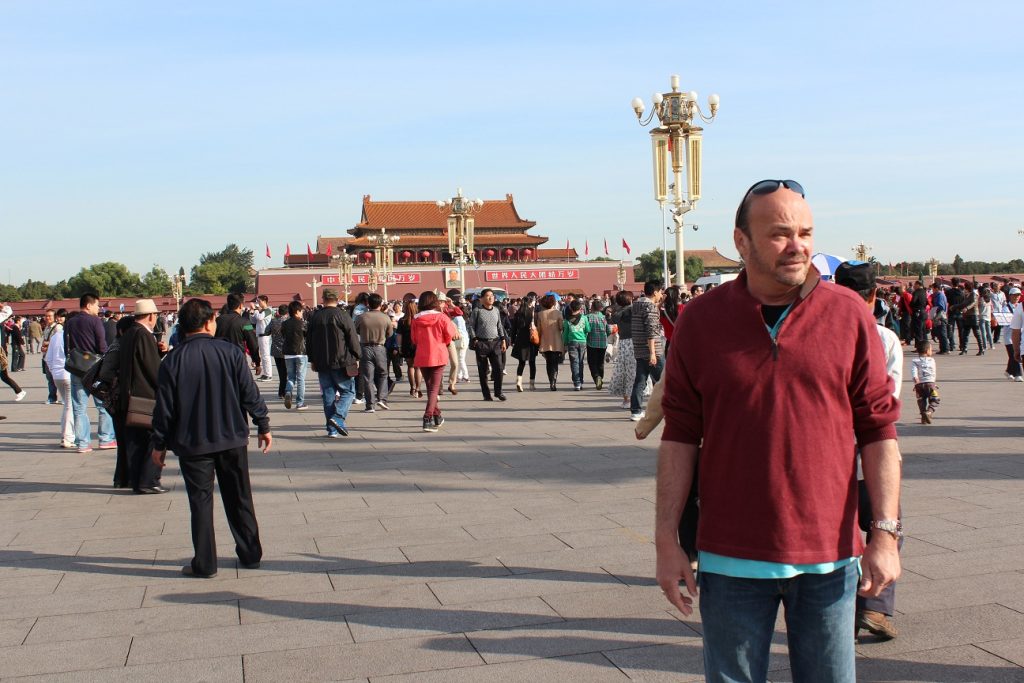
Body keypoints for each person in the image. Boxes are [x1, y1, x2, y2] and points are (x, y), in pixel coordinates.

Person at [656, 179, 902, 681]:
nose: (798, 246)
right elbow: (680, 436)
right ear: (741, 242)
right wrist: (666, 540)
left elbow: (880, 432)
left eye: (806, 232)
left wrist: (885, 534)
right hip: (731, 556)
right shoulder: (701, 321)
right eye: (780, 234)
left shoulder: (848, 313)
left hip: (830, 555)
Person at [150, 298, 271, 578]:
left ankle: (205, 563)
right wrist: (262, 423)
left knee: (200, 501)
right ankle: (250, 553)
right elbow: (249, 393)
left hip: (193, 444)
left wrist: (159, 445)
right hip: (231, 438)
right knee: (239, 496)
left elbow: (164, 410)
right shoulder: (230, 353)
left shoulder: (173, 361)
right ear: (208, 322)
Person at [834, 261, 904, 641]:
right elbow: (886, 405)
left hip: (831, 462)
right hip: (874, 460)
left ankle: (838, 608)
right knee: (886, 529)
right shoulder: (884, 338)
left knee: (840, 535)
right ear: (874, 296)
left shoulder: (823, 332)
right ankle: (874, 608)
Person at [116, 299, 166, 494]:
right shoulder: (144, 335)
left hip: (129, 396)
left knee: (135, 442)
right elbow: (152, 369)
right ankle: (148, 481)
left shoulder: (129, 333)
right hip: (144, 396)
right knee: (149, 441)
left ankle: (136, 480)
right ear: (152, 316)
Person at [305, 289, 361, 438]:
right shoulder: (342, 315)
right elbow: (352, 337)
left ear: (323, 299)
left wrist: (312, 359)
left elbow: (308, 340)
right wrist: (357, 355)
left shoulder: (315, 316)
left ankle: (332, 430)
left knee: (328, 395)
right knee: (349, 391)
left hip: (322, 361)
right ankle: (338, 418)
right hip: (342, 360)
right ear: (337, 299)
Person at [64, 293, 115, 453]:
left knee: (79, 407)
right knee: (103, 404)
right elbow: (102, 346)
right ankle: (105, 439)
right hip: (95, 370)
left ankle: (83, 444)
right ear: (88, 305)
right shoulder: (95, 321)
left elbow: (68, 344)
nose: (98, 308)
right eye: (97, 305)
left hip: (77, 368)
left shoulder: (70, 322)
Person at [411, 291, 455, 432]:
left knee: (431, 387)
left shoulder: (415, 319)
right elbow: (450, 335)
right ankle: (427, 417)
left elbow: (414, 339)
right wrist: (442, 343)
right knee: (433, 389)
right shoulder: (442, 317)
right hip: (438, 354)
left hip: (422, 355)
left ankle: (437, 416)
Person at [630, 279, 665, 422]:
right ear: (655, 292)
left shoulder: (637, 304)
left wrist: (659, 304)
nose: (661, 294)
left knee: (640, 380)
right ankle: (672, 408)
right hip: (652, 350)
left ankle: (636, 411)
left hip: (639, 348)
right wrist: (652, 353)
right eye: (660, 292)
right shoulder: (650, 308)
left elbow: (650, 309)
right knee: (665, 380)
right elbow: (651, 331)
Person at [355, 293, 394, 412]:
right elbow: (390, 334)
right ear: (380, 304)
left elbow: (356, 330)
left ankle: (370, 405)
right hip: (380, 347)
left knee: (367, 377)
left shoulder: (361, 317)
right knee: (382, 374)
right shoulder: (385, 317)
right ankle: (382, 399)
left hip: (365, 348)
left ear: (368, 303)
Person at [466, 289, 507, 401]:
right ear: (481, 299)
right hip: (482, 343)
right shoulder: (477, 311)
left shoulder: (496, 310)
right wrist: (474, 339)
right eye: (487, 296)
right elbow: (470, 326)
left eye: (492, 296)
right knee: (483, 371)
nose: (490, 298)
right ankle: (486, 394)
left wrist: (503, 339)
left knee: (498, 368)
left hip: (495, 342)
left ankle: (498, 392)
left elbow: (499, 326)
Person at [42, 309, 73, 448]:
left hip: (57, 374)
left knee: (67, 405)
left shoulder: (56, 335)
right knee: (71, 406)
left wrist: (54, 371)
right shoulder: (73, 336)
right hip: (69, 374)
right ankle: (68, 437)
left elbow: (47, 358)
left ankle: (67, 435)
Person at [607, 291, 635, 409]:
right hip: (635, 342)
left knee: (624, 371)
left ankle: (626, 399)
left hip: (623, 343)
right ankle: (634, 398)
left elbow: (611, 321)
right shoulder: (634, 310)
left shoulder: (618, 313)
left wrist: (608, 314)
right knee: (634, 372)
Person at [281, 301, 309, 410]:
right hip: (301, 353)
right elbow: (307, 336)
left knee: (291, 377)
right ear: (297, 311)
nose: (302, 313)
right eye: (301, 311)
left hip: (288, 353)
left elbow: (283, 336)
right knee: (301, 378)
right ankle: (300, 403)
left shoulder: (285, 324)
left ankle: (288, 392)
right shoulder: (303, 323)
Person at [536, 294, 565, 391]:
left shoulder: (540, 314)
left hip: (545, 341)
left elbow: (539, 330)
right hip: (556, 341)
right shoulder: (558, 313)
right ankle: (554, 381)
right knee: (555, 363)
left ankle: (550, 381)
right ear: (553, 303)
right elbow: (561, 327)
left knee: (548, 363)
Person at [511, 294, 539, 391]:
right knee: (532, 362)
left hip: (520, 339)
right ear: (531, 302)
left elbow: (513, 328)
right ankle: (532, 384)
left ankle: (519, 381)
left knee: (521, 362)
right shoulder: (534, 313)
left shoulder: (518, 313)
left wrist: (512, 340)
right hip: (531, 340)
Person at [396, 298, 422, 398]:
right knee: (418, 368)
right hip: (418, 345)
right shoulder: (419, 320)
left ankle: (412, 387)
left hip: (406, 345)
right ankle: (418, 388)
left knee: (410, 367)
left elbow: (399, 335)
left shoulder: (402, 321)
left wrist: (399, 347)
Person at [562, 299, 590, 391]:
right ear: (580, 308)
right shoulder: (584, 318)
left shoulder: (567, 320)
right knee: (581, 362)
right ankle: (580, 381)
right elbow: (588, 329)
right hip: (582, 342)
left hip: (572, 342)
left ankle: (577, 383)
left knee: (574, 362)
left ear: (570, 308)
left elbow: (565, 333)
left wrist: (564, 343)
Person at [912, 340, 939, 424]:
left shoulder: (914, 361)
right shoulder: (931, 360)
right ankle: (929, 412)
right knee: (935, 399)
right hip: (930, 384)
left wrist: (916, 381)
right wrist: (933, 382)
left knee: (921, 400)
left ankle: (923, 416)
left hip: (919, 385)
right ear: (927, 351)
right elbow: (933, 372)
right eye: (931, 349)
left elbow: (913, 371)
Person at [266, 304, 288, 400]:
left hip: (275, 349)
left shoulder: (273, 321)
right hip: (286, 349)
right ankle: (286, 391)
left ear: (278, 311)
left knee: (281, 372)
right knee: (287, 372)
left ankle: (281, 392)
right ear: (287, 312)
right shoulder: (287, 322)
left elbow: (267, 331)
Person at [1001, 287, 1022, 381]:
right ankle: (1018, 374)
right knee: (1014, 354)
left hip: (1019, 336)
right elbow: (1007, 321)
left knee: (1012, 356)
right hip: (1009, 337)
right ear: (1010, 296)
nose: (1017, 297)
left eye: (1018, 295)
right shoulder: (1006, 308)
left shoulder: (1020, 307)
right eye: (1015, 295)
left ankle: (1009, 371)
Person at [252, 295, 274, 381]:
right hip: (260, 335)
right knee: (263, 356)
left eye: (259, 301)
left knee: (266, 356)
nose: (258, 303)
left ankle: (268, 375)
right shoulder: (261, 311)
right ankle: (265, 374)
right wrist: (252, 313)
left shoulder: (268, 310)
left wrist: (256, 309)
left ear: (264, 301)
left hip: (265, 335)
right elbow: (254, 320)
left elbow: (260, 317)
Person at [40, 310, 60, 404]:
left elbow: (59, 341)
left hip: (55, 357)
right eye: (46, 316)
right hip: (47, 356)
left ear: (55, 317)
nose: (48, 318)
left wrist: (47, 344)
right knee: (49, 378)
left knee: (58, 378)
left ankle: (64, 396)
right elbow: (45, 340)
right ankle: (52, 397)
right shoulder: (46, 328)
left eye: (50, 316)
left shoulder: (57, 327)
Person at [929, 282, 949, 354]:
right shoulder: (939, 295)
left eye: (933, 289)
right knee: (940, 333)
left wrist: (934, 310)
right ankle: (942, 348)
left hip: (941, 315)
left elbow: (941, 306)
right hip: (940, 314)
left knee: (942, 333)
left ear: (936, 288)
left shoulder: (940, 295)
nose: (932, 290)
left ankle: (945, 349)